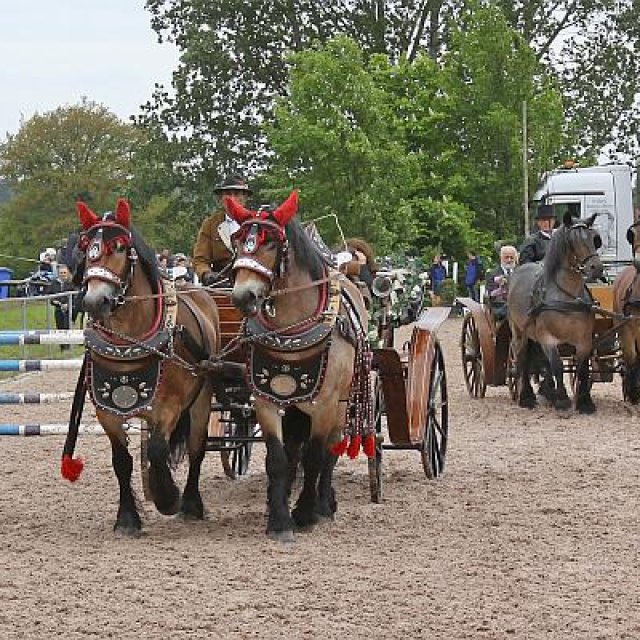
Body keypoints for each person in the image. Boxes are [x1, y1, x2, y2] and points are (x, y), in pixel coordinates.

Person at [192, 174, 252, 285]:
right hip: (220, 285)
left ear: (245, 198)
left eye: (237, 194)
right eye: (228, 194)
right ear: (220, 199)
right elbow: (200, 260)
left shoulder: (257, 223)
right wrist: (206, 274)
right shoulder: (210, 224)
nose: (232, 199)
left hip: (252, 285)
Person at [485, 245, 518, 321]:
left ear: (515, 258)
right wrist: (501, 289)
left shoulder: (520, 272)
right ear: (501, 258)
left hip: (518, 304)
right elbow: (490, 295)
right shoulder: (491, 274)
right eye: (506, 257)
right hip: (500, 305)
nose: (509, 260)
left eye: (511, 257)